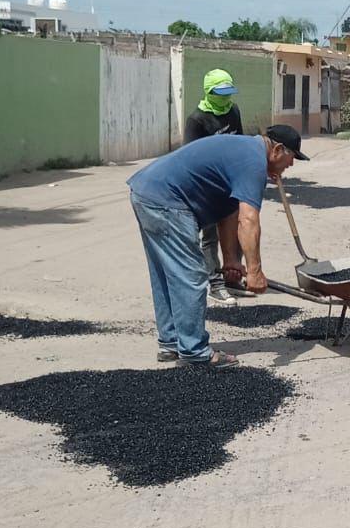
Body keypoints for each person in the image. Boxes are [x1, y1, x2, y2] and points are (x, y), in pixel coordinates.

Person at [127, 124, 308, 367]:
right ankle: (195, 351)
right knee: (190, 276)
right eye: (292, 157)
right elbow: (248, 220)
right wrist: (254, 271)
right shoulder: (253, 163)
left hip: (147, 191)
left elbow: (229, 214)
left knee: (165, 273)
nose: (291, 165)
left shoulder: (246, 153)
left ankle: (171, 343)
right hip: (167, 200)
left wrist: (231, 259)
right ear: (277, 150)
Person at [182, 68, 245, 302]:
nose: (225, 98)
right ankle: (215, 282)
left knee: (235, 231)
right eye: (220, 93)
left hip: (230, 180)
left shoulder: (233, 110)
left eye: (228, 92)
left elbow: (239, 141)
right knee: (210, 235)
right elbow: (190, 157)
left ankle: (233, 278)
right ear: (209, 91)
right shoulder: (197, 119)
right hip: (207, 184)